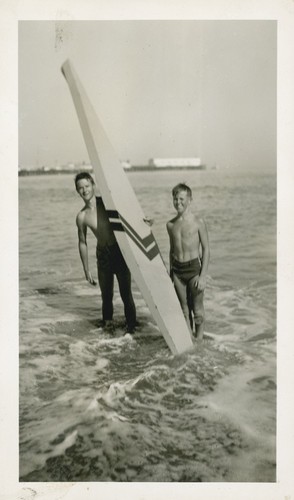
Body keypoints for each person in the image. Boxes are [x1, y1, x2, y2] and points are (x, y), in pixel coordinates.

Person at [74, 172, 137, 333]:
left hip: (119, 252)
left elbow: (129, 215)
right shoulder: (81, 216)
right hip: (103, 256)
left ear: (93, 185)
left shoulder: (107, 203)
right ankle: (108, 331)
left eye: (87, 186)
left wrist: (144, 222)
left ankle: (131, 330)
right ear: (77, 191)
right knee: (106, 296)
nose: (85, 190)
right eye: (80, 188)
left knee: (126, 294)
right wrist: (86, 269)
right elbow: (82, 242)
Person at [166, 183, 210, 340]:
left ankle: (199, 342)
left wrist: (203, 276)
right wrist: (171, 273)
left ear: (190, 200)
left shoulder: (198, 222)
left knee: (197, 310)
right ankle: (188, 341)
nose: (178, 202)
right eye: (175, 199)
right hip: (178, 272)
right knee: (184, 310)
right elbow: (172, 251)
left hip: (194, 271)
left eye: (182, 199)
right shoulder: (170, 225)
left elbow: (206, 249)